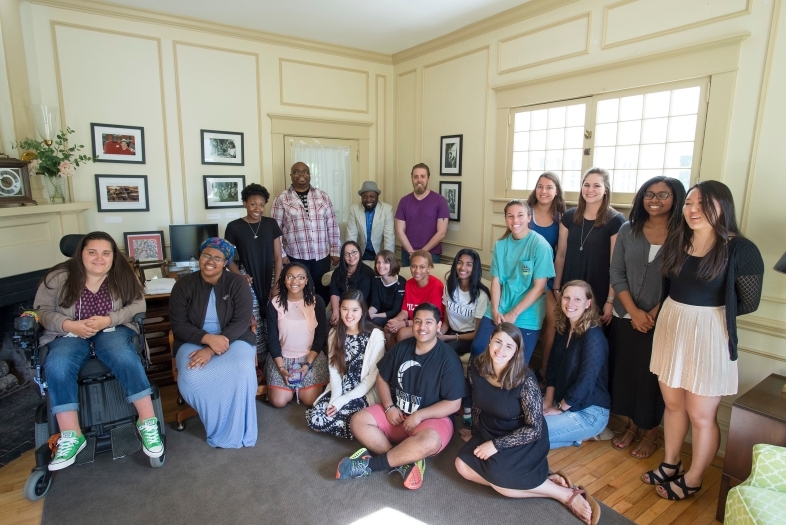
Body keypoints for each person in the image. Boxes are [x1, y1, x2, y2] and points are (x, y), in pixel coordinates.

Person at [644, 181, 763, 500]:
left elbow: (748, 302)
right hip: (673, 326)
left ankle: (694, 477)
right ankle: (670, 462)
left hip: (710, 332)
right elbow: (668, 285)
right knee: (673, 404)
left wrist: (705, 319)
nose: (692, 210)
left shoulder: (740, 249)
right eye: (689, 203)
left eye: (702, 203)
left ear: (722, 206)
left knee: (700, 413)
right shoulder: (678, 240)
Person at [34, 231, 163, 469]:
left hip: (113, 329)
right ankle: (72, 435)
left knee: (122, 354)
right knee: (57, 363)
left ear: (113, 256)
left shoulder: (122, 274)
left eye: (106, 253)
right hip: (69, 333)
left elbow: (138, 303)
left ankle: (147, 422)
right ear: (80, 253)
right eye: (92, 252)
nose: (99, 258)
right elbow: (41, 312)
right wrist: (69, 324)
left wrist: (109, 320)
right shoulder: (58, 277)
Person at [456, 323, 600, 525]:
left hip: (522, 437)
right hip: (490, 430)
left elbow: (535, 429)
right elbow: (478, 405)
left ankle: (563, 494)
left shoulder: (526, 380)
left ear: (516, 351)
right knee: (462, 466)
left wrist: (495, 445)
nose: (501, 349)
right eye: (498, 342)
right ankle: (539, 481)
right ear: (489, 341)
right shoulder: (476, 367)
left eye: (509, 346)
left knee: (501, 481)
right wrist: (475, 433)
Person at [335, 303, 465, 490]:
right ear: (412, 325)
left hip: (430, 420)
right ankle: (405, 460)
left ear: (438, 326)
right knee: (358, 421)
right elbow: (382, 377)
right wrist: (388, 407)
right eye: (418, 321)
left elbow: (454, 404)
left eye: (429, 322)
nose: (422, 327)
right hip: (397, 415)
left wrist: (420, 415)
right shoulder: (401, 348)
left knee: (430, 442)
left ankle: (370, 465)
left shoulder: (448, 359)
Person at [608, 177, 686, 459]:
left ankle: (651, 433)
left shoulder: (684, 234)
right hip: (625, 315)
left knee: (651, 380)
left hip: (661, 321)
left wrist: (651, 314)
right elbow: (616, 273)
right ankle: (630, 427)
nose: (655, 199)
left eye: (663, 194)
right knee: (627, 374)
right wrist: (634, 311)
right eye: (649, 194)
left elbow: (681, 283)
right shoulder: (629, 230)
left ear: (675, 198)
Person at [170, 238, 258, 448]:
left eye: (217, 258)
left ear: (226, 262)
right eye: (206, 255)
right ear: (199, 257)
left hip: (234, 338)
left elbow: (241, 321)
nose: (210, 261)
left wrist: (211, 350)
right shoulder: (183, 285)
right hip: (192, 339)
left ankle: (238, 428)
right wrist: (207, 340)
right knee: (191, 375)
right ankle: (218, 425)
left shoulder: (237, 283)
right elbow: (178, 324)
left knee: (242, 368)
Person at [470, 200, 554, 364]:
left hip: (526, 314)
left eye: (520, 215)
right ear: (506, 219)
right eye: (510, 216)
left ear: (529, 217)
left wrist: (514, 314)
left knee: (515, 362)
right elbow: (496, 280)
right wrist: (494, 309)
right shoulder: (501, 245)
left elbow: (539, 288)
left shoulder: (540, 246)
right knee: (479, 349)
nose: (515, 220)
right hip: (500, 308)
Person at [306, 290, 385, 439]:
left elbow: (372, 377)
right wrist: (335, 399)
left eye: (355, 310)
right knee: (316, 419)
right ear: (340, 309)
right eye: (345, 309)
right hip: (340, 388)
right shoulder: (334, 334)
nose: (349, 315)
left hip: (363, 391)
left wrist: (342, 401)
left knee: (350, 419)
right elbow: (334, 371)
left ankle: (360, 427)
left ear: (362, 311)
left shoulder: (376, 336)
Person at [543, 280, 611, 449]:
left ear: (588, 303)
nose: (570, 304)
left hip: (590, 413)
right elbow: (552, 367)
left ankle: (586, 432)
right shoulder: (565, 327)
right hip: (564, 402)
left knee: (531, 432)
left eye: (577, 299)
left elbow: (585, 383)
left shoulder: (593, 337)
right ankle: (576, 438)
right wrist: (548, 401)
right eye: (566, 297)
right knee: (521, 421)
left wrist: (559, 408)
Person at [553, 168, 626, 325]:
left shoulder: (616, 221)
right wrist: (557, 288)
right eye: (586, 185)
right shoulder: (569, 217)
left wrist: (610, 300)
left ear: (606, 190)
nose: (590, 190)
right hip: (569, 289)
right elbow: (561, 254)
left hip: (597, 290)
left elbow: (616, 265)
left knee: (590, 338)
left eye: (596, 186)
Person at [225, 183, 283, 365]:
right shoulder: (234, 227)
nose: (257, 209)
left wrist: (277, 284)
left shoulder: (271, 224)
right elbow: (227, 258)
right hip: (247, 278)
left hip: (271, 275)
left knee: (274, 320)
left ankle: (275, 362)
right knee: (255, 323)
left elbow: (278, 258)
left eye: (261, 205)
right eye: (252, 204)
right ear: (244, 203)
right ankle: (259, 364)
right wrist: (240, 276)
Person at [271, 162, 341, 303]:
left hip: (321, 256)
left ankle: (320, 322)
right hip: (295, 256)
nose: (301, 174)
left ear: (309, 175)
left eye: (305, 171)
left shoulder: (322, 196)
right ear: (291, 175)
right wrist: (282, 255)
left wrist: (335, 250)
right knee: (298, 292)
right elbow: (274, 230)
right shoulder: (281, 198)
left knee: (322, 291)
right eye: (297, 172)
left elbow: (332, 224)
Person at [265, 262, 329, 408]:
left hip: (310, 357)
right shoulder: (274, 304)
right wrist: (281, 369)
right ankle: (291, 389)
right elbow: (273, 340)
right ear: (283, 279)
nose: (295, 281)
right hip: (282, 357)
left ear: (306, 280)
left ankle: (298, 389)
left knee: (310, 401)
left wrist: (307, 364)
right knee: (278, 401)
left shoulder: (316, 301)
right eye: (290, 277)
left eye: (300, 277)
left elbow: (320, 337)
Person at [527, 172, 566, 382]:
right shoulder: (525, 213)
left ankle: (544, 372)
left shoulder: (561, 217)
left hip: (548, 277)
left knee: (553, 321)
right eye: (540, 186)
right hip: (524, 277)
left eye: (549, 187)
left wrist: (555, 284)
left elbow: (560, 253)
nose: (543, 191)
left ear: (556, 191)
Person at [384, 250, 444, 347]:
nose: (417, 271)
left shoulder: (437, 286)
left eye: (422, 267)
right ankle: (392, 358)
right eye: (413, 266)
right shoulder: (409, 283)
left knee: (402, 333)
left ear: (429, 268)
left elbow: (432, 318)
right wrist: (394, 322)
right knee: (387, 328)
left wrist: (402, 324)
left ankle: (403, 359)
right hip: (413, 323)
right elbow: (405, 311)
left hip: (429, 325)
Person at [395, 163, 450, 266]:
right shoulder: (404, 201)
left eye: (422, 176)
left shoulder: (440, 201)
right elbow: (399, 231)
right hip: (407, 253)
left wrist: (421, 253)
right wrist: (412, 252)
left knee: (430, 282)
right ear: (412, 179)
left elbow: (441, 232)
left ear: (428, 179)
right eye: (415, 177)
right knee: (408, 281)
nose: (419, 180)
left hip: (431, 254)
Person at [441, 248, 489, 356]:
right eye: (460, 263)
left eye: (469, 264)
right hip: (451, 332)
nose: (463, 267)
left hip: (469, 338)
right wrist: (438, 334)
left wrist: (450, 337)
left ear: (475, 268)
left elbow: (477, 333)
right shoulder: (449, 288)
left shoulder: (481, 296)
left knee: (446, 350)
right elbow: (446, 322)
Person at [346, 181, 395, 261]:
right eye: (365, 197)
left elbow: (389, 237)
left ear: (377, 196)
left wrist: (387, 260)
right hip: (361, 252)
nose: (368, 199)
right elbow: (351, 236)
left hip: (380, 252)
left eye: (372, 196)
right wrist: (351, 257)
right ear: (361, 197)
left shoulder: (387, 209)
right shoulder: (354, 209)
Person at [329, 241, 375, 326]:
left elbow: (360, 298)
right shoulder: (337, 272)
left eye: (354, 252)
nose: (351, 256)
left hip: (358, 310)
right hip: (340, 307)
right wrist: (336, 312)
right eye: (346, 254)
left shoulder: (367, 273)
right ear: (343, 257)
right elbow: (334, 293)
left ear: (359, 253)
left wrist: (344, 314)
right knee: (328, 320)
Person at [367, 250, 406, 327]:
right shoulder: (376, 280)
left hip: (395, 317)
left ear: (392, 264)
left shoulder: (401, 282)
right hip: (378, 315)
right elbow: (375, 304)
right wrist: (367, 314)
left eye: (385, 262)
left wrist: (375, 316)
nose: (381, 266)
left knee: (375, 321)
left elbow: (395, 311)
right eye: (378, 262)